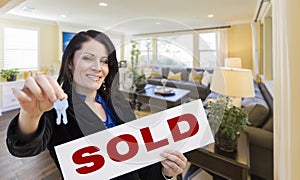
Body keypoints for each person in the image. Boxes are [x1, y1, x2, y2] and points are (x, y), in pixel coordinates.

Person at [6, 30, 187, 179]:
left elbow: (141, 162)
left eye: (104, 61)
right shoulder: (56, 109)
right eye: (87, 58)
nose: (97, 67)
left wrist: (166, 173)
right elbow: (24, 148)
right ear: (70, 62)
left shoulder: (118, 103)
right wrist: (30, 114)